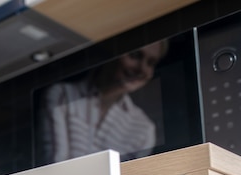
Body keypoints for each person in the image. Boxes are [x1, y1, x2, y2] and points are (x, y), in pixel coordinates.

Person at [36, 40, 168, 164]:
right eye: (135, 55)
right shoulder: (62, 95)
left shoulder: (144, 128)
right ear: (113, 50)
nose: (142, 69)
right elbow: (55, 164)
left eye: (150, 63)